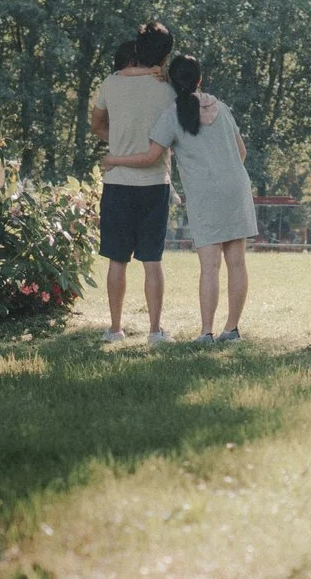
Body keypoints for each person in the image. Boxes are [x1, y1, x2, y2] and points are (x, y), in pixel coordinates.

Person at [103, 53, 256, 342]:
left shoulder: (173, 114)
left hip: (205, 193)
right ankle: (232, 330)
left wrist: (115, 159)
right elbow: (242, 153)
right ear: (200, 79)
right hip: (237, 187)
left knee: (210, 266)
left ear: (173, 83)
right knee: (237, 262)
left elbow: (150, 157)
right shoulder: (221, 108)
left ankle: (206, 333)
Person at [87, 24, 177, 343]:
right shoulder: (169, 89)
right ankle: (155, 330)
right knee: (152, 261)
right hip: (155, 184)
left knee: (118, 259)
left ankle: (115, 329)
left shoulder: (111, 83)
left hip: (118, 183)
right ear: (165, 56)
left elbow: (96, 125)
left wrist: (119, 140)